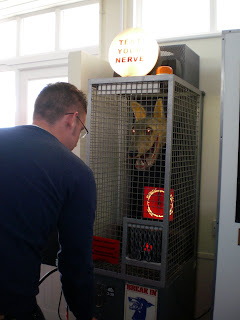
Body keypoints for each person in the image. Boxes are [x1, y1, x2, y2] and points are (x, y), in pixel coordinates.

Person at [0, 82, 97, 320]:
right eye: (82, 129)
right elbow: (75, 261)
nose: (77, 141)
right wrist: (85, 313)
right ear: (72, 119)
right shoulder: (76, 173)